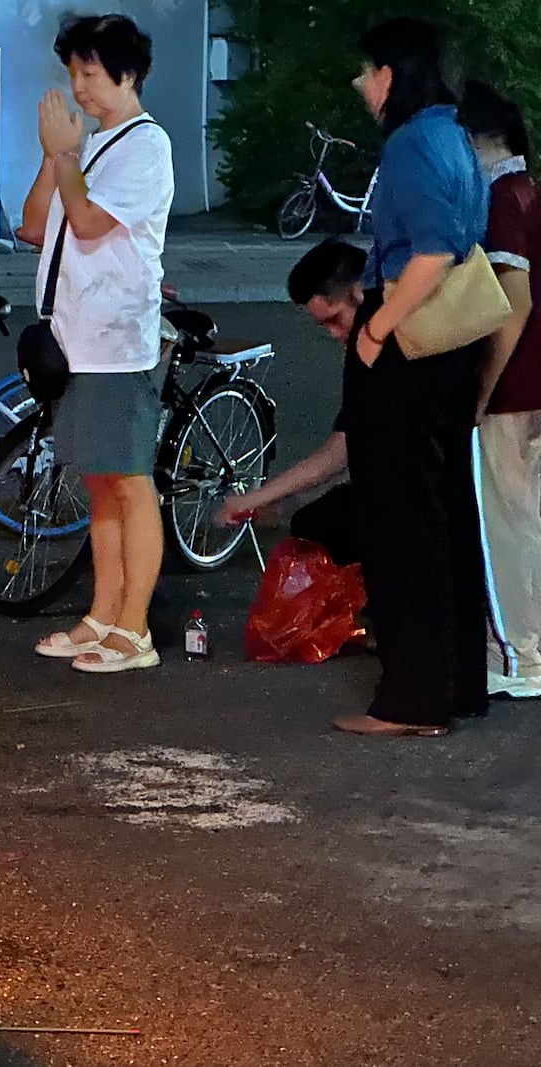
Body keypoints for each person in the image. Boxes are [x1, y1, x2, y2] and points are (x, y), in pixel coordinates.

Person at [336, 18, 489, 736]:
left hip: (411, 345)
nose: (362, 85)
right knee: (445, 511)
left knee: (402, 520)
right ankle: (454, 685)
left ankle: (412, 697)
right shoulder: (455, 136)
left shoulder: (411, 143)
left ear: (391, 75)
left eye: (368, 71)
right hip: (452, 345)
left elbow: (428, 253)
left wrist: (374, 327)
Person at [20, 14, 174, 673]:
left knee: (130, 483)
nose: (78, 88)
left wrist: (63, 154)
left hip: (115, 344)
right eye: (72, 75)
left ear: (127, 74)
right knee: (101, 484)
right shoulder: (96, 145)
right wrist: (58, 154)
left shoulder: (146, 145)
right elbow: (33, 226)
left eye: (89, 73)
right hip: (74, 341)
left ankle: (133, 629)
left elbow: (84, 223)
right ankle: (102, 614)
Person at [459, 81, 541, 699]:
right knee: (528, 520)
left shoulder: (501, 199)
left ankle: (516, 656)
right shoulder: (527, 193)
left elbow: (513, 302)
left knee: (507, 526)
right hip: (533, 385)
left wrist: (480, 390)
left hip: (514, 388)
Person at [216, 239, 363, 567]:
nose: (333, 334)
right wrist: (279, 499)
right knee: (316, 521)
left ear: (359, 291)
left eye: (336, 319)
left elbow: (340, 452)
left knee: (324, 528)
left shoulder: (379, 352)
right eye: (323, 324)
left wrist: (260, 497)